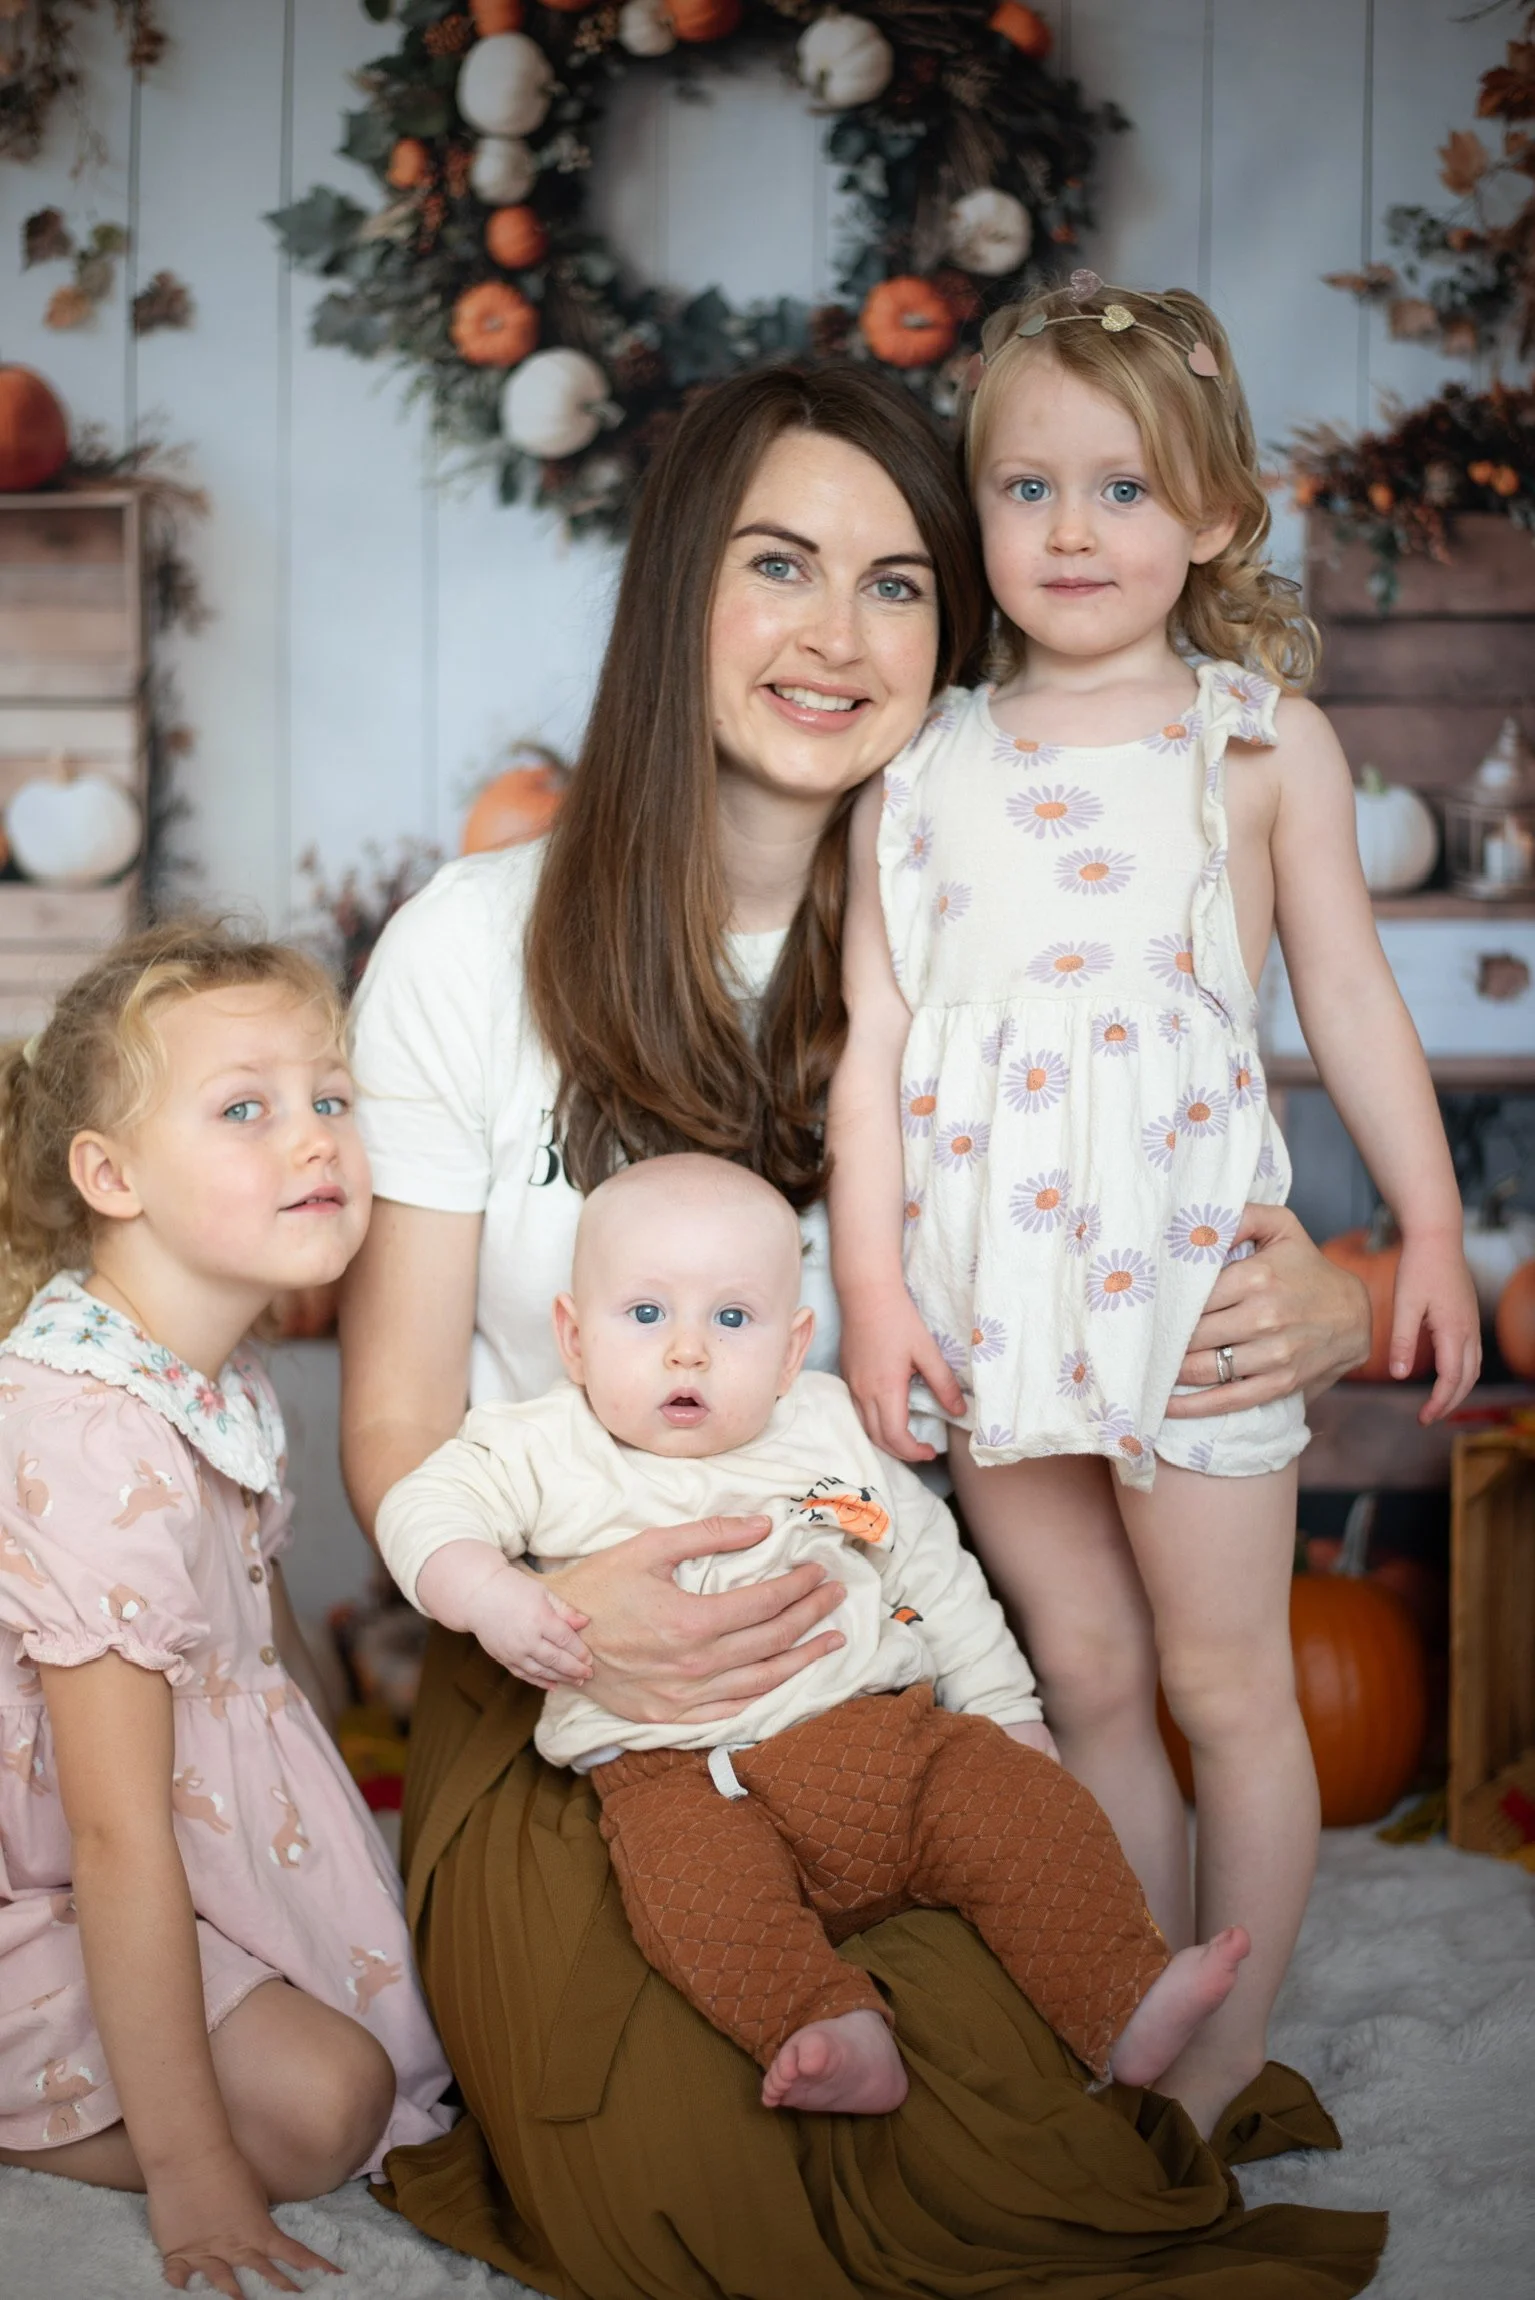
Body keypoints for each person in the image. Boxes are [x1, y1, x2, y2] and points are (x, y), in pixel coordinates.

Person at [341, 362, 1386, 2295]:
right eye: (780, 565)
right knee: (690, 2158)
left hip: (881, 1677)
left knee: (1006, 2110)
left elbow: (1191, 1122)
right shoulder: (473, 944)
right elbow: (397, 1410)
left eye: (898, 582)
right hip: (572, 1684)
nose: (837, 634)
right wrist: (567, 1612)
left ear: (956, 623)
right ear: (678, 588)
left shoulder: (991, 938)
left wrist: (1332, 1286)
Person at [828, 278, 1480, 2138]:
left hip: (1187, 1296)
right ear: (976, 514)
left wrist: (1428, 1234)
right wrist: (875, 1297)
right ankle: (1132, 1998)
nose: (1070, 530)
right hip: (988, 1298)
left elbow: (1348, 995)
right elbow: (873, 1057)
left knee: (1225, 1678)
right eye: (1025, 488)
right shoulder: (919, 769)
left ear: (1207, 514)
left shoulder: (1255, 742)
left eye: (1121, 489)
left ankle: (1223, 2046)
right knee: (1091, 1671)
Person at [375, 1153, 1251, 2117]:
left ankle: (1121, 1998)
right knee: (693, 1897)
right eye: (646, 1313)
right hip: (684, 1781)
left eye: (731, 1319)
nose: (687, 1351)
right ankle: (825, 2029)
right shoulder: (538, 1445)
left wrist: (1007, 1712)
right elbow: (420, 1510)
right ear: (573, 1339)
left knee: (1026, 1811)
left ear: (793, 1351)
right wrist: (493, 1594)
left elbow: (930, 1568)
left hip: (891, 1740)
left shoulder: (825, 1425)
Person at [0, 923, 452, 2300]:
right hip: (46, 1889)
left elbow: (263, 1663)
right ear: (111, 1176)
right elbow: (111, 1829)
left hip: (158, 1855)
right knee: (326, 2105)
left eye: (330, 1098)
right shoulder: (87, 1435)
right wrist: (193, 2171)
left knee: (421, 2019)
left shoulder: (216, 1379)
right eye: (245, 1109)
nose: (314, 1137)